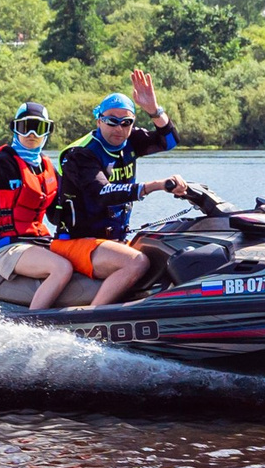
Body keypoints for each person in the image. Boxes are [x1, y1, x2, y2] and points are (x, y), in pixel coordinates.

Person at [50, 70, 188, 308]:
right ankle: (93, 318)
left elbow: (170, 141)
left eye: (126, 122)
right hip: (75, 241)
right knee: (137, 263)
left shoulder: (130, 140)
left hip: (111, 240)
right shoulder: (81, 153)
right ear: (99, 120)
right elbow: (101, 193)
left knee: (166, 248)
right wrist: (153, 186)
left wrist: (155, 111)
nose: (119, 128)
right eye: (111, 121)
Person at [0, 100, 77, 311]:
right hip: (6, 246)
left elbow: (56, 215)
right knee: (61, 268)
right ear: (16, 129)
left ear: (47, 131)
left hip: (39, 242)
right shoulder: (4, 162)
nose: (32, 133)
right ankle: (34, 323)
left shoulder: (48, 167)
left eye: (38, 127)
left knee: (79, 260)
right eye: (25, 127)